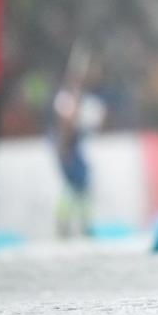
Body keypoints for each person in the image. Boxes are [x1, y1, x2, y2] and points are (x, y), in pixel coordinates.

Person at [48, 48, 106, 237]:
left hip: (72, 146)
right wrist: (63, 149)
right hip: (68, 147)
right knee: (75, 186)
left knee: (79, 186)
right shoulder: (66, 98)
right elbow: (65, 125)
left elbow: (87, 123)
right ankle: (70, 224)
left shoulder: (78, 99)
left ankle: (78, 223)